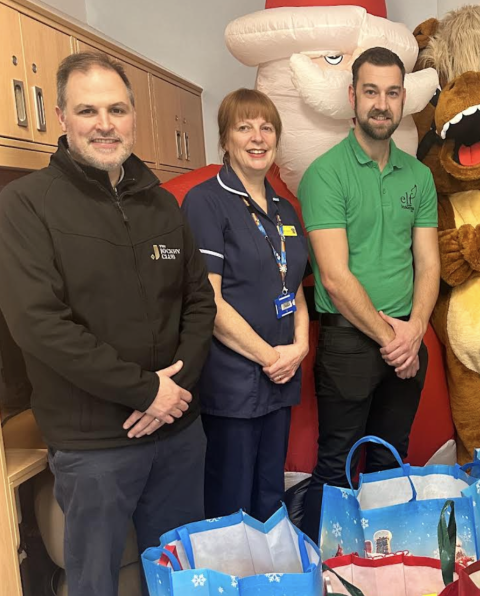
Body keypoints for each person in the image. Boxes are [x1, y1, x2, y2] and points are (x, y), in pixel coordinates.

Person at [0, 52, 215, 595]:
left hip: (178, 431)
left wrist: (173, 392)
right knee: (95, 582)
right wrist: (145, 392)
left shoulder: (161, 203)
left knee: (180, 578)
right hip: (94, 445)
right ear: (60, 118)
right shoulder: (26, 205)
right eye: (87, 110)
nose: (105, 123)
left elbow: (198, 303)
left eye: (117, 109)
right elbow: (41, 325)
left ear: (134, 115)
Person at [298, 46, 440, 542]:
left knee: (389, 459)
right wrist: (393, 340)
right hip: (350, 342)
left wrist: (415, 331)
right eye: (372, 91)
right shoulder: (325, 173)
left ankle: (385, 565)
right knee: (337, 464)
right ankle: (329, 572)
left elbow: (428, 263)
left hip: (406, 333)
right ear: (353, 95)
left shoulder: (419, 176)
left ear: (404, 99)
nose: (382, 103)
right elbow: (334, 278)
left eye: (393, 92)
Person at [181, 89, 309, 522]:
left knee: (270, 496)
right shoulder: (205, 201)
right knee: (231, 504)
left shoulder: (285, 210)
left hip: (281, 375)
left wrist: (301, 347)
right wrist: (270, 356)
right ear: (225, 139)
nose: (257, 137)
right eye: (244, 127)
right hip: (234, 382)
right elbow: (209, 302)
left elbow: (294, 287)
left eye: (266, 127)